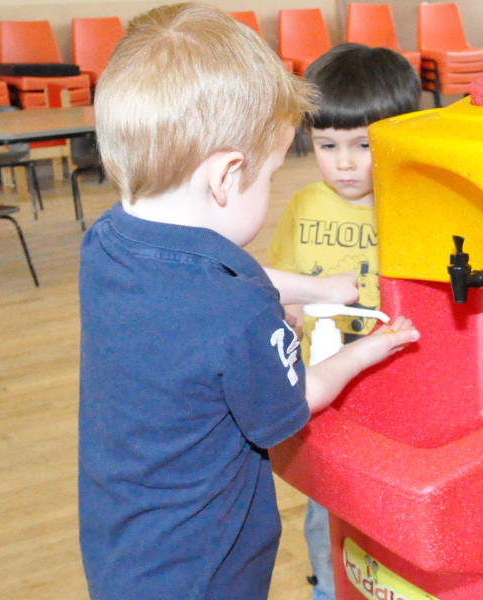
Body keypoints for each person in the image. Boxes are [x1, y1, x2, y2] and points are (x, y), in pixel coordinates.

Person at [77, 5, 419, 600]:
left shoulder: (107, 243)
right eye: (266, 178)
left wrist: (316, 289)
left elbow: (212, 276)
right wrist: (370, 352)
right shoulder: (238, 313)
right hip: (207, 569)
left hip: (122, 545)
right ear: (227, 176)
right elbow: (296, 401)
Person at [266, 43, 421, 600]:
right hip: (324, 401)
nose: (346, 162)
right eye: (328, 145)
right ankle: (330, 591)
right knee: (324, 512)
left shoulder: (416, 208)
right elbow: (280, 287)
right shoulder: (305, 205)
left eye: (363, 145)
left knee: (394, 513)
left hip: (397, 399)